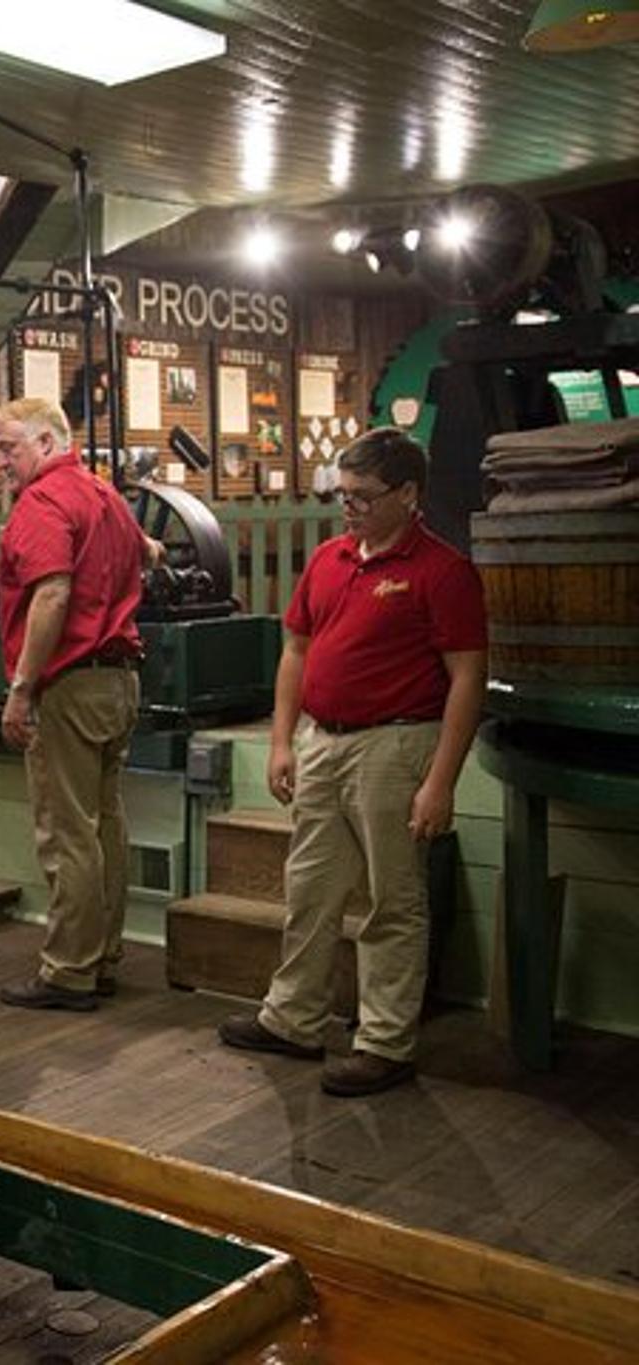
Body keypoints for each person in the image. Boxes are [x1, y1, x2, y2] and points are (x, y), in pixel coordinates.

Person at [217, 429, 486, 1097]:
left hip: (394, 747)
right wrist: (282, 740)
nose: (349, 508)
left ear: (408, 494)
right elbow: (296, 652)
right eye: (343, 495)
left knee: (394, 897)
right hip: (323, 741)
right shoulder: (331, 560)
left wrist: (440, 782)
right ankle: (294, 1017)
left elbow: (468, 678)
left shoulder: (443, 572)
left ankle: (385, 1041)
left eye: (363, 497)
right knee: (309, 888)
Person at [0, 396, 147, 1011]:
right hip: (118, 680)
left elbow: (51, 595)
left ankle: (68, 972)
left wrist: (22, 688)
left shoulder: (42, 502)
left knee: (66, 832)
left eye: (9, 448)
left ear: (48, 443)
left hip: (69, 684)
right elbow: (150, 553)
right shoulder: (103, 494)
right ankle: (102, 957)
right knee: (104, 822)